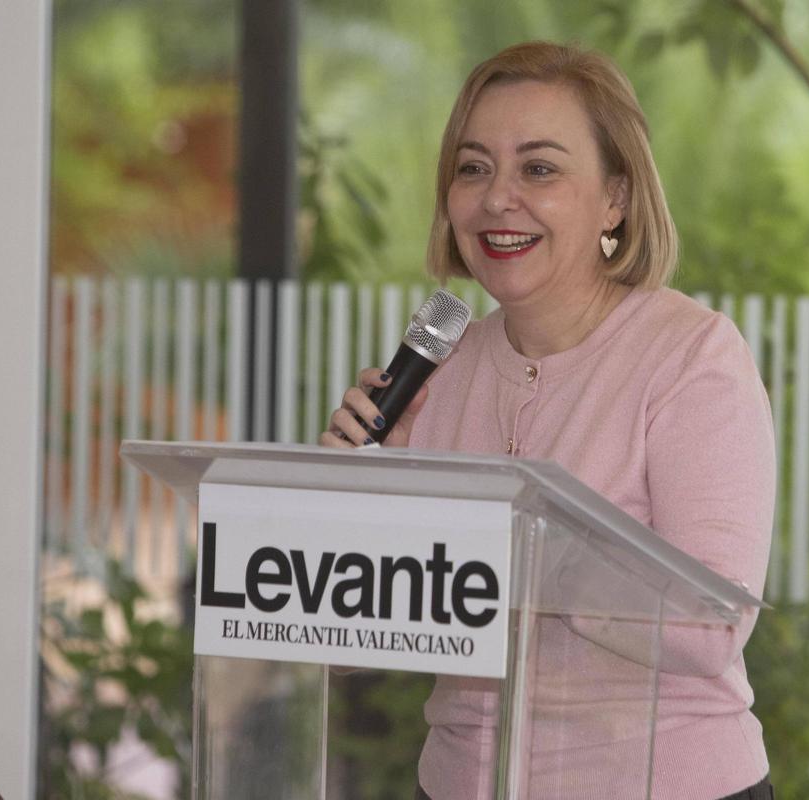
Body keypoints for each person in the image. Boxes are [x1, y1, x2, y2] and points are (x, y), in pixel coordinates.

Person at [321, 41, 775, 800]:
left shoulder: (692, 358)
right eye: (472, 168)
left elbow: (709, 626)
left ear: (616, 198)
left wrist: (509, 553)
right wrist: (350, 509)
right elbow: (336, 647)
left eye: (539, 168)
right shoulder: (437, 375)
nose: (498, 198)